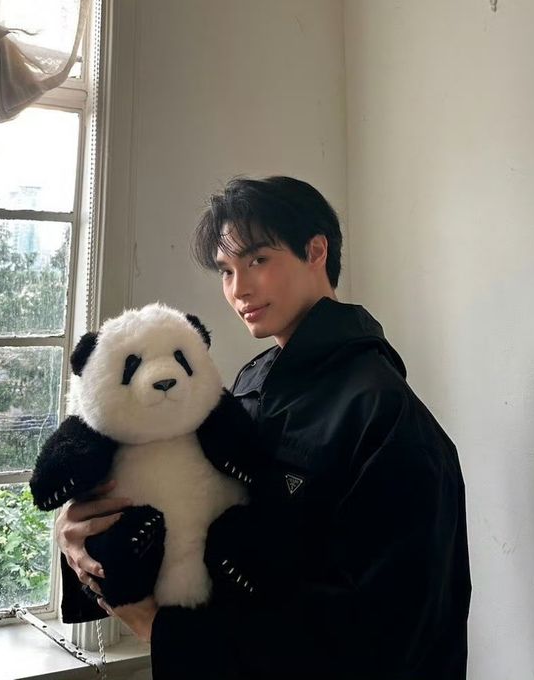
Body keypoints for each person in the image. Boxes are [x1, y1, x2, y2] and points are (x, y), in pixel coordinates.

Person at [56, 176, 471, 679]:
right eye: (226, 271)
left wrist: (163, 630)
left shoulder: (384, 413)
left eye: (257, 260)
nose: (239, 290)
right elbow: (194, 511)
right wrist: (84, 538)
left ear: (315, 251)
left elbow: (389, 631)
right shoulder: (251, 383)